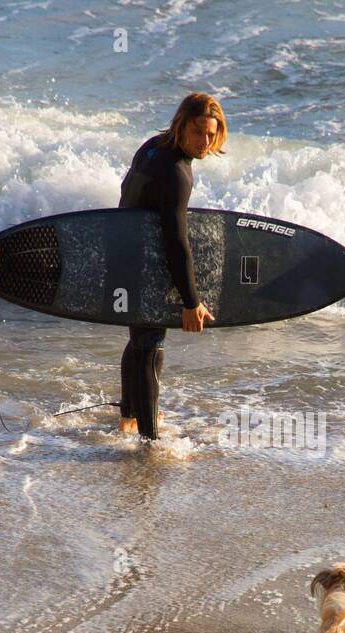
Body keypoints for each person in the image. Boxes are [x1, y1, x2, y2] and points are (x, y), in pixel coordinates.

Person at [116, 92, 226, 439]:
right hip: (146, 265)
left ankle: (129, 417)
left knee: (138, 341)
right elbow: (177, 244)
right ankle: (149, 442)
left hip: (125, 255)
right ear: (181, 126)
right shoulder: (178, 173)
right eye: (198, 132)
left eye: (211, 134)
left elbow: (125, 190)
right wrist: (191, 302)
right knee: (151, 345)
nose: (204, 142)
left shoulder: (152, 146)